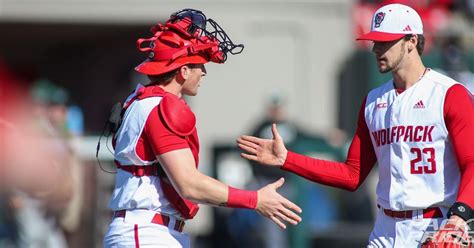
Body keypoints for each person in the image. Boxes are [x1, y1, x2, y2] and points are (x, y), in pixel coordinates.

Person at [237, 3, 473, 247]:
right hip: (384, 227)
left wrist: (460, 217)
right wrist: (287, 159)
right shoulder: (373, 101)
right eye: (375, 41)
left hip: (434, 222)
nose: (376, 48)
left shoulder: (449, 94)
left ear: (412, 40)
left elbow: (472, 162)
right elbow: (352, 175)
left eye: (385, 41)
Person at [103, 9, 302, 248]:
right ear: (183, 70)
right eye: (200, 65)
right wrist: (255, 199)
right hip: (147, 233)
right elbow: (189, 184)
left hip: (147, 229)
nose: (204, 72)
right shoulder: (162, 107)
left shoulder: (139, 100)